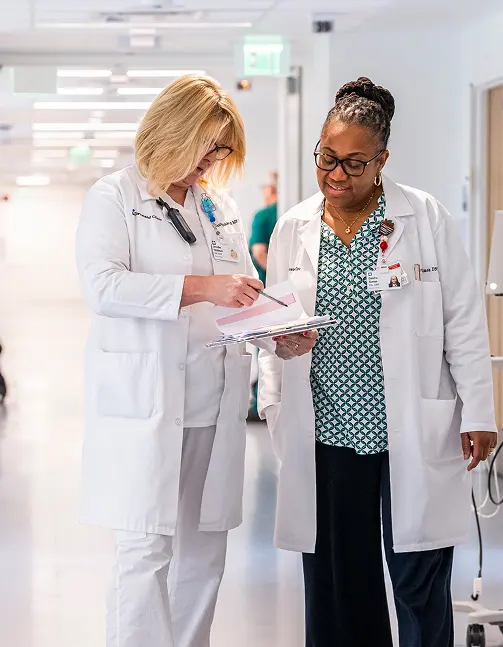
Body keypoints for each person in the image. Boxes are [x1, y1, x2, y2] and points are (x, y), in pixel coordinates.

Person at [258, 77, 499, 647]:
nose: (336, 175)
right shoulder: (295, 226)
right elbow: (273, 322)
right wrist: (273, 388)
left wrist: (478, 411)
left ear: (382, 159)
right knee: (340, 582)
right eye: (326, 158)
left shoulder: (425, 217)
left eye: (353, 163)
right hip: (327, 429)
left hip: (410, 427)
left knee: (419, 578)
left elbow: (463, 318)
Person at [75, 74, 303, 647]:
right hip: (147, 405)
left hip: (211, 402)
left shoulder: (216, 206)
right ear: (174, 132)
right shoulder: (113, 197)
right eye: (208, 145)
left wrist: (280, 333)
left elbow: (242, 289)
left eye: (222, 149)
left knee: (204, 551)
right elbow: (104, 287)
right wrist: (202, 288)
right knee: (145, 550)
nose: (213, 160)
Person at [247, 171, 278, 420]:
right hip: (284, 291)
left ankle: (261, 402)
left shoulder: (263, 215)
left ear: (272, 188)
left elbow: (258, 252)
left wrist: (275, 279)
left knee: (264, 346)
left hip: (267, 290)